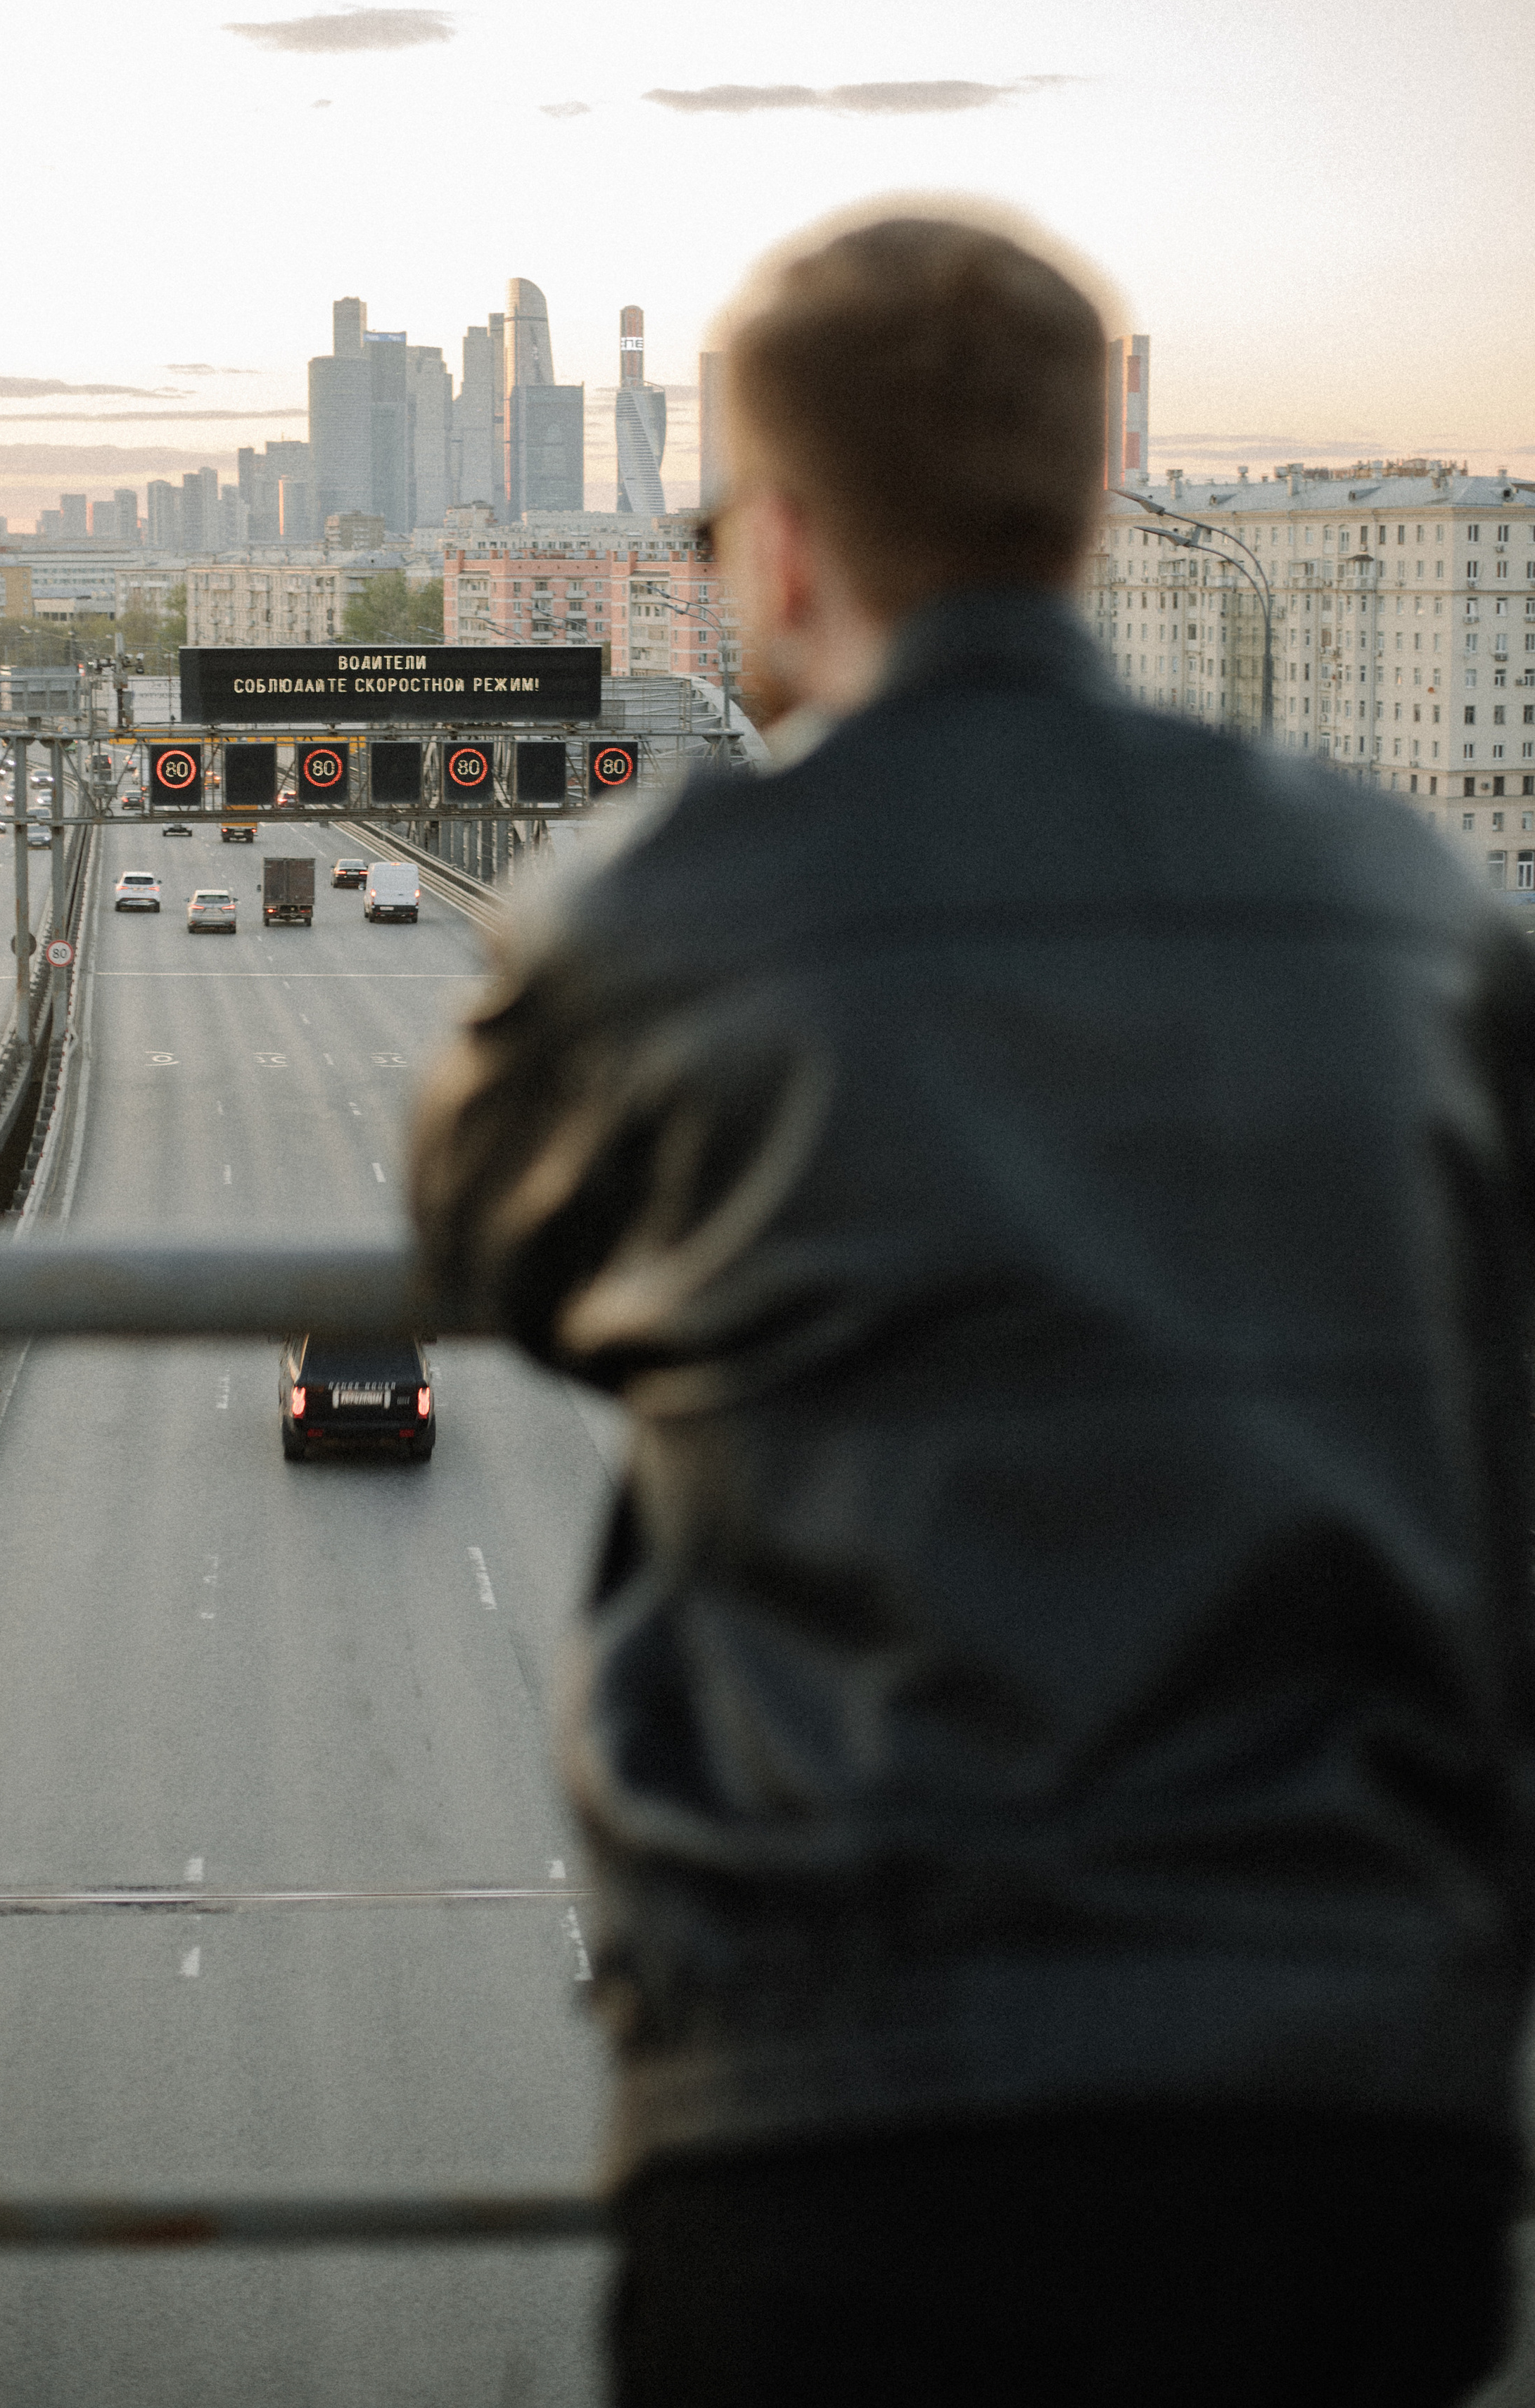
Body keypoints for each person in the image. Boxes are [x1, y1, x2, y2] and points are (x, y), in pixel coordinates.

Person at [409, 208, 1535, 2404]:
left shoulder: (661, 913)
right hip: (1353, 2113)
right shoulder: (1407, 900)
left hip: (842, 2099)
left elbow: (491, 1245)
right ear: (1094, 507)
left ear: (786, 539)